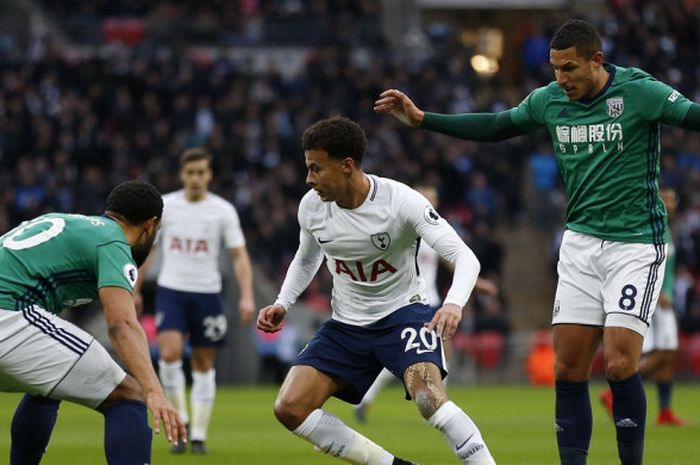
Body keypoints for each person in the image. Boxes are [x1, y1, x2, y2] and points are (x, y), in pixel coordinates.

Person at [374, 18, 700, 465]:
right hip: (580, 245)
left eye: (569, 69)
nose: (559, 79)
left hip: (636, 246)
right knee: (568, 368)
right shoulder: (550, 101)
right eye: (554, 69)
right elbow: (496, 126)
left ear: (597, 61)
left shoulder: (640, 93)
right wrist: (423, 119)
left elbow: (694, 116)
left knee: (621, 364)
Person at [257, 116, 497, 465]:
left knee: (429, 400)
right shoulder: (311, 206)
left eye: (316, 169)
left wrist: (453, 305)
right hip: (346, 325)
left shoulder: (400, 201)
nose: (309, 179)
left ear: (347, 166)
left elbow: (465, 257)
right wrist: (283, 302)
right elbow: (307, 258)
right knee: (290, 408)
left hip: (404, 315)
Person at [0, 180, 187, 465]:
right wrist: (154, 391)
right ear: (150, 226)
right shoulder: (113, 241)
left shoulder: (65, 221)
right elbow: (121, 325)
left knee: (47, 386)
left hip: (10, 314)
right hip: (8, 314)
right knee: (129, 395)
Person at [135, 147, 256, 454]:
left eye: (201, 172)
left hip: (207, 294)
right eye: (190, 173)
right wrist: (135, 287)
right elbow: (149, 249)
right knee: (170, 353)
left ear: (209, 175)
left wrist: (247, 295)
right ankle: (182, 422)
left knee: (204, 364)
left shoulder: (223, 210)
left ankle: (199, 435)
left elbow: (239, 256)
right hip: (171, 292)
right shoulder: (167, 206)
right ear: (182, 175)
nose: (195, 178)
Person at [354, 183, 499, 424]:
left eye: (433, 199)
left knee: (440, 353)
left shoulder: (432, 231)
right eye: (426, 198)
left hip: (431, 302)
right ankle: (436, 402)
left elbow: (453, 262)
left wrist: (478, 283)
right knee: (414, 357)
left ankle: (435, 400)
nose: (431, 203)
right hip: (413, 302)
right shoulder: (402, 229)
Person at [601, 187, 687, 426]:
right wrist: (659, 291)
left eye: (673, 199)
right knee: (664, 352)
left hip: (664, 299)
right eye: (666, 198)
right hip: (654, 298)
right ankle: (614, 393)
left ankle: (665, 411)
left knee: (666, 356)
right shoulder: (650, 226)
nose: (670, 203)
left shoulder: (667, 228)